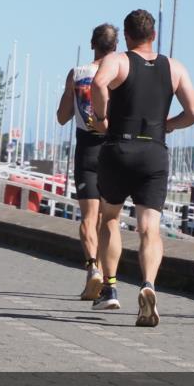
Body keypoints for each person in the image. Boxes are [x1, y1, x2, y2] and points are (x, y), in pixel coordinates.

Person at [91, 9, 194, 326]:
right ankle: (148, 284)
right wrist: (169, 124)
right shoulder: (174, 68)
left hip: (119, 147)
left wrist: (101, 117)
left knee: (110, 218)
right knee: (149, 228)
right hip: (154, 151)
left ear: (126, 36)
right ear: (153, 35)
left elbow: (98, 83)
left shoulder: (118, 61)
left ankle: (110, 289)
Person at [56, 23, 119, 301]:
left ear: (93, 44)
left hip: (86, 150)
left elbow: (62, 117)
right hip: (112, 149)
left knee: (89, 218)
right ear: (115, 47)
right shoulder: (119, 73)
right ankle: (106, 281)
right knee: (109, 220)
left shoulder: (77, 74)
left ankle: (92, 268)